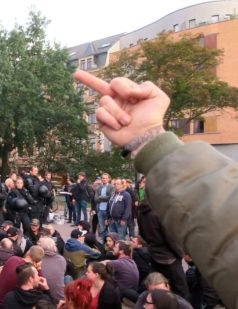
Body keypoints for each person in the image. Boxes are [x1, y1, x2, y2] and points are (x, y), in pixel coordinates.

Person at [74, 71, 223, 303]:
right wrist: (150, 139)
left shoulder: (142, 207)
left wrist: (151, 142)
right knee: (178, 289)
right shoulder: (151, 212)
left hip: (158, 252)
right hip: (165, 255)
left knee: (174, 287)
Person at [37, 236, 66, 304]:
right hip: (59, 297)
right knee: (67, 278)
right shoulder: (61, 259)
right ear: (54, 248)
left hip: (43, 298)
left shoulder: (37, 261)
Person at [93, 173, 114, 240]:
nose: (104, 179)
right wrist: (104, 197)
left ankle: (110, 241)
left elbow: (110, 197)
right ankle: (104, 241)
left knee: (110, 227)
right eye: (103, 178)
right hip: (100, 210)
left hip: (108, 210)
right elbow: (95, 199)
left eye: (106, 178)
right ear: (101, 179)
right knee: (102, 227)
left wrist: (100, 197)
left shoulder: (112, 187)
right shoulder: (98, 187)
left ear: (108, 179)